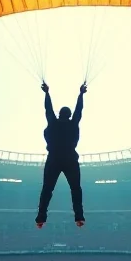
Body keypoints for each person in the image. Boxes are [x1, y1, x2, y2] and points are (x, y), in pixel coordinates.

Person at [36, 82, 87, 228]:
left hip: (54, 158)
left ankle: (41, 218)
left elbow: (48, 109)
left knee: (47, 189)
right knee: (75, 188)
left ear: (59, 114)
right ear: (69, 115)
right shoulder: (73, 123)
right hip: (70, 158)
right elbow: (79, 110)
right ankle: (79, 217)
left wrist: (47, 93)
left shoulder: (53, 122)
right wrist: (81, 94)